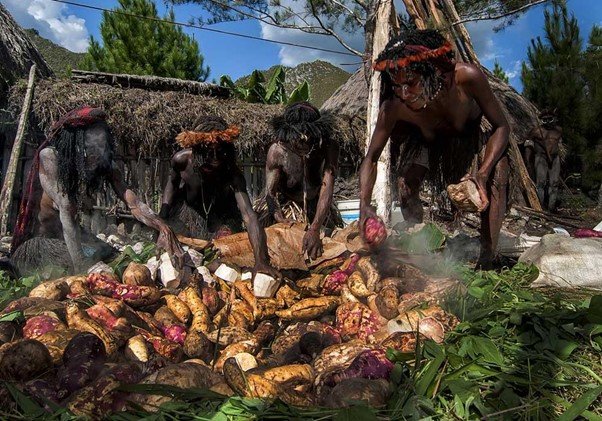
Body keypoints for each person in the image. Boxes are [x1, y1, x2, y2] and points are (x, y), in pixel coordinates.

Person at [359, 28, 510, 269]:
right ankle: (418, 244)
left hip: (469, 136)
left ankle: (487, 257)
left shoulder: (467, 78)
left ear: (434, 72)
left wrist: (482, 172)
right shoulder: (394, 107)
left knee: (498, 172)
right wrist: (364, 205)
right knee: (405, 187)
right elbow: (371, 157)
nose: (404, 94)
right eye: (397, 86)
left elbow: (502, 126)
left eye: (411, 83)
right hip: (427, 140)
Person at [11, 106, 184, 273]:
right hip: (42, 241)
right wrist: (80, 268)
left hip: (72, 237)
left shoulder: (103, 163)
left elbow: (135, 204)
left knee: (113, 257)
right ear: (74, 144)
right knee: (88, 268)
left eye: (101, 146)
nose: (96, 153)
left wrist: (163, 228)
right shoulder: (50, 158)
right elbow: (66, 208)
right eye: (90, 147)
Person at [160, 115, 279, 279]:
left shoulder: (232, 173)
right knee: (183, 251)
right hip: (190, 212)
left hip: (222, 216)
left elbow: (249, 216)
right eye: (208, 152)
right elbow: (172, 184)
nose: (215, 158)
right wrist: (163, 219)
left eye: (220, 151)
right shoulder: (181, 161)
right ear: (197, 150)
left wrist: (261, 262)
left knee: (223, 258)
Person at [264, 102, 340, 260]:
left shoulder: (328, 147)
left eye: (308, 139)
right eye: (297, 139)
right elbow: (270, 193)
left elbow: (327, 189)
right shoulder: (277, 151)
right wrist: (279, 218)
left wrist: (315, 228)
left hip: (318, 208)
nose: (303, 143)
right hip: (287, 208)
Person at [524, 110, 563, 211]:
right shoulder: (536, 131)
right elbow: (528, 145)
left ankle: (551, 208)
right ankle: (540, 208)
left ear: (554, 119)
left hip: (555, 158)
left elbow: (557, 145)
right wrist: (528, 161)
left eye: (550, 119)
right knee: (540, 183)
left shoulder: (559, 130)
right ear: (541, 120)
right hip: (541, 158)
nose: (548, 122)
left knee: (554, 183)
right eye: (545, 120)